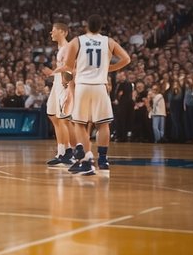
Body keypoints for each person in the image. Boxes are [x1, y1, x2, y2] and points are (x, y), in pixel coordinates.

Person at [55, 18, 131, 176]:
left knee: (80, 124)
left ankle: (87, 160)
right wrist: (109, 69)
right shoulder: (108, 41)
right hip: (100, 86)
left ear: (86, 27)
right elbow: (126, 59)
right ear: (100, 28)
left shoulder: (77, 41)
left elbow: (69, 67)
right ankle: (103, 160)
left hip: (83, 85)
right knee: (103, 125)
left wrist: (62, 75)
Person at [41, 22, 76, 167]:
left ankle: (72, 152)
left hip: (63, 84)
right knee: (53, 115)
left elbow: (71, 69)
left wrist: (69, 89)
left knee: (63, 119)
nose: (51, 32)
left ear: (63, 32)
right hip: (57, 84)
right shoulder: (60, 48)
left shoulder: (68, 48)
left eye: (53, 30)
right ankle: (62, 151)